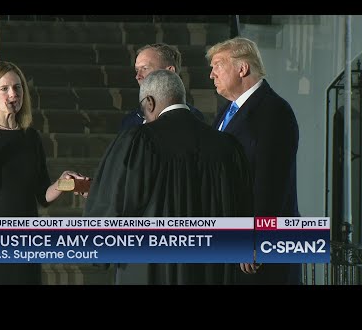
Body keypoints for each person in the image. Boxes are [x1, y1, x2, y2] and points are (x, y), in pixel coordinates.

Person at [84, 69, 253, 285]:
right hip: (212, 269)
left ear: (150, 102)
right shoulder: (226, 145)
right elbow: (244, 206)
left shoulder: (140, 140)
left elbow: (117, 202)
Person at [0, 61, 89, 285]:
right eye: (4, 88)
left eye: (18, 88)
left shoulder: (31, 137)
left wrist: (62, 183)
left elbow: (42, 195)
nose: (13, 94)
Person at [207, 37, 301, 285]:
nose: (211, 75)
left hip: (258, 250)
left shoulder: (274, 111)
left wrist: (256, 238)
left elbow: (271, 181)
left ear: (242, 68)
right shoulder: (227, 111)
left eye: (218, 65)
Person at [120, 43, 205, 130]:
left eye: (145, 68)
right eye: (137, 70)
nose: (138, 76)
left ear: (170, 71)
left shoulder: (193, 119)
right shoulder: (131, 120)